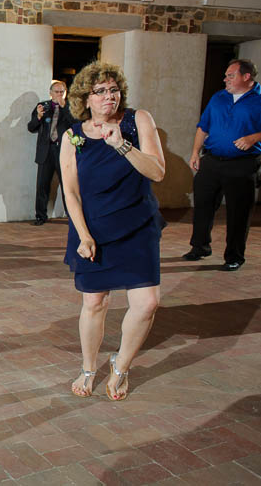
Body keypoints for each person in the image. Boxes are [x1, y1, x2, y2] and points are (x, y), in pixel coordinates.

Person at [60, 62, 165, 401]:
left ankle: (121, 366)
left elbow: (158, 172)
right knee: (94, 302)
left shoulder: (138, 121)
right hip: (93, 228)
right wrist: (84, 235)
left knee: (148, 303)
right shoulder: (72, 136)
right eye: (100, 91)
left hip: (137, 225)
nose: (110, 96)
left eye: (113, 89)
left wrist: (121, 145)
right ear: (85, 99)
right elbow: (71, 192)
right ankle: (89, 368)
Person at [184, 59, 261, 271]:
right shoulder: (218, 97)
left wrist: (254, 137)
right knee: (202, 207)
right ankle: (200, 247)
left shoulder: (259, 99)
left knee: (238, 212)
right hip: (211, 161)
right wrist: (194, 153)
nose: (225, 79)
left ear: (246, 77)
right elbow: (203, 126)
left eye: (230, 75)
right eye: (226, 75)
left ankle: (234, 257)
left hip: (242, 165)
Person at [27, 80, 74, 225]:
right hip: (45, 151)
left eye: (62, 92)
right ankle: (40, 216)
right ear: (51, 93)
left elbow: (76, 124)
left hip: (63, 151)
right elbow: (31, 127)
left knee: (67, 186)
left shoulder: (71, 107)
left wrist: (65, 107)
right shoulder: (43, 106)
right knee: (42, 185)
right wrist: (39, 117)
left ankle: (72, 217)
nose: (59, 94)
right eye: (57, 92)